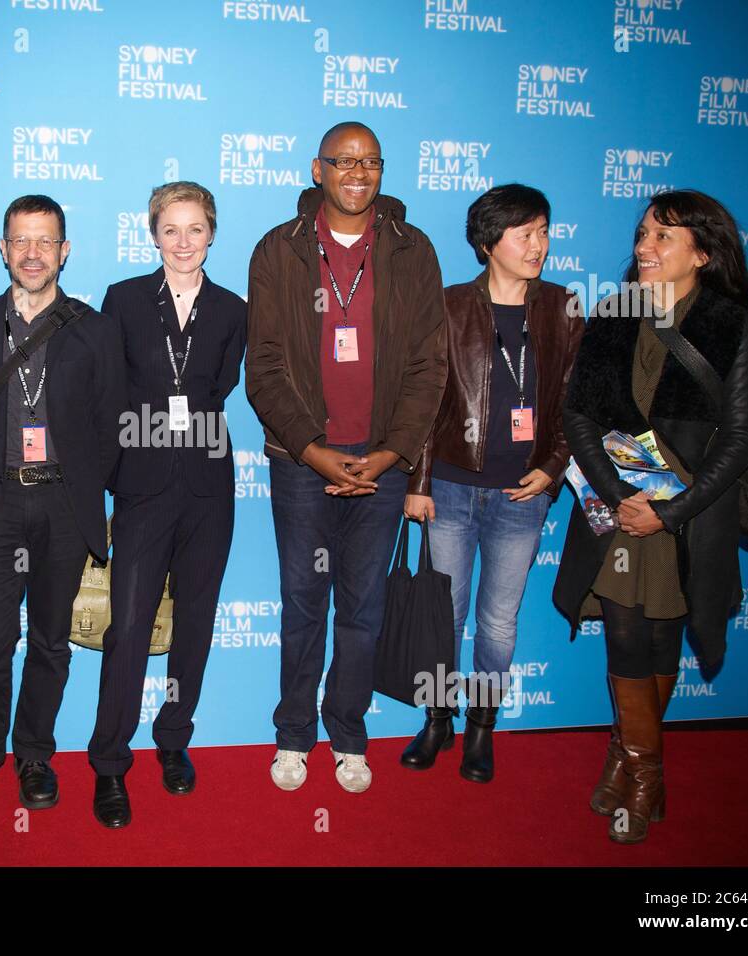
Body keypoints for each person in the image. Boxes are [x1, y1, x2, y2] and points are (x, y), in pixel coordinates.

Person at [552, 190, 748, 844]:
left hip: (687, 516)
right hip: (617, 504)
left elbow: (739, 439)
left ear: (703, 253)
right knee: (623, 630)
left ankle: (631, 758)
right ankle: (645, 771)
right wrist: (619, 494)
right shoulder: (617, 312)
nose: (644, 248)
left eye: (663, 238)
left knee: (663, 634)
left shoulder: (730, 324)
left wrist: (670, 512)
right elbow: (578, 414)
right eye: (643, 234)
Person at [245, 121, 448, 793]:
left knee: (363, 609)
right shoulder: (279, 250)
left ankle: (349, 734)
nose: (357, 173)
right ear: (317, 169)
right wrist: (312, 450)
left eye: (370, 162)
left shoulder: (413, 252)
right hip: (304, 461)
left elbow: (428, 366)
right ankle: (294, 734)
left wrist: (393, 453)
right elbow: (265, 367)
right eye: (343, 161)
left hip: (383, 460)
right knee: (304, 602)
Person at [0, 194, 126, 811]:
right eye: (21, 240)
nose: (33, 253)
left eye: (46, 241)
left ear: (64, 250)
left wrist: (88, 496)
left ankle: (35, 754)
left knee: (50, 641)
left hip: (64, 513)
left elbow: (111, 426)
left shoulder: (94, 329)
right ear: (3, 249)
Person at [402, 184, 584, 782]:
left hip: (522, 495)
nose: (539, 244)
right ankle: (437, 720)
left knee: (499, 622)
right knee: (445, 616)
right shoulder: (448, 306)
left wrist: (554, 467)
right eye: (524, 233)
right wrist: (419, 481)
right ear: (488, 243)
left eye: (543, 231)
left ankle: (483, 728)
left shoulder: (564, 307)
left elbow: (573, 406)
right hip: (451, 487)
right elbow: (425, 402)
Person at [87, 182, 247, 828]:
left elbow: (221, 386)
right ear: (153, 234)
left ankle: (174, 737)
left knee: (195, 625)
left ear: (212, 233)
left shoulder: (233, 310)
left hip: (209, 488)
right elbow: (107, 388)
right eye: (170, 229)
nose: (183, 242)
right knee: (127, 627)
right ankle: (109, 763)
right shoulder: (122, 301)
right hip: (142, 487)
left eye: (195, 229)